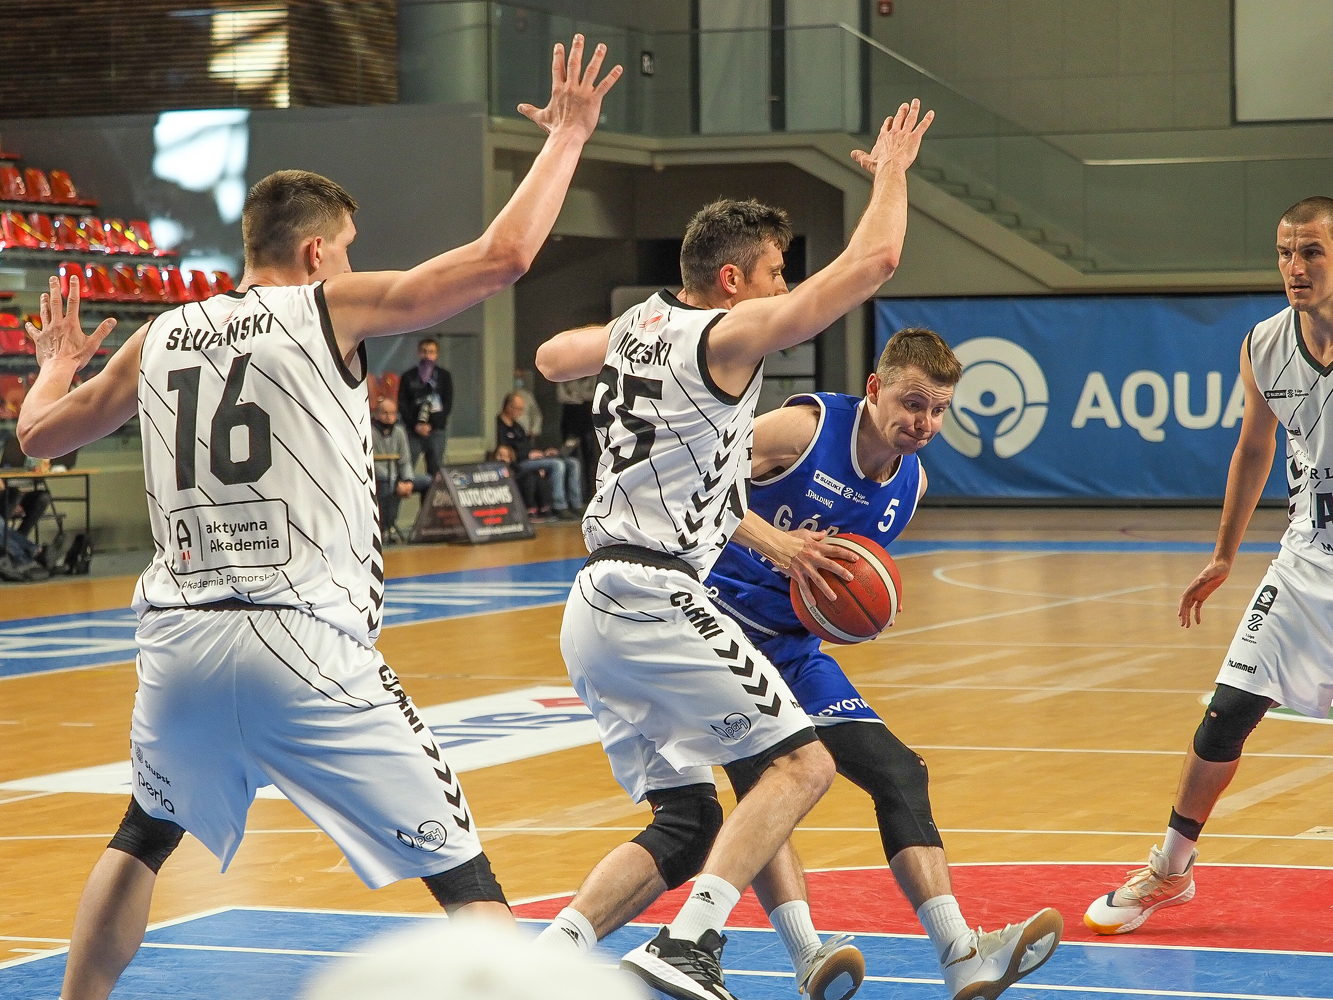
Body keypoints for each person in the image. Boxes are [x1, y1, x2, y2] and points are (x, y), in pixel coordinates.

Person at [15, 35, 621, 1000]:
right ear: (314, 254)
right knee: (463, 875)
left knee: (143, 834)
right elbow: (502, 257)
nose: (349, 264)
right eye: (344, 250)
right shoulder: (325, 307)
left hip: (179, 641)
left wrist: (54, 364)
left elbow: (40, 436)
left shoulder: (162, 332)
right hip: (304, 638)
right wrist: (568, 136)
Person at [532, 99, 934, 1000]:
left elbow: (554, 356)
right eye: (775, 274)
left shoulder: (640, 327)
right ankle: (688, 946)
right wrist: (891, 173)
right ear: (728, 281)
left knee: (684, 821)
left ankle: (540, 961)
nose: (784, 288)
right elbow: (873, 262)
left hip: (590, 605)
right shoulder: (727, 335)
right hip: (655, 593)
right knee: (803, 763)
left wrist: (622, 343)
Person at [703, 327, 1062, 1000]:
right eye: (912, 404)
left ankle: (960, 954)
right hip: (715, 628)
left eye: (938, 411)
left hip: (793, 649)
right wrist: (777, 544)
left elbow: (836, 581)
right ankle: (806, 955)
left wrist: (850, 610)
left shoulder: (910, 484)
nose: (923, 423)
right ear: (874, 389)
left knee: (900, 772)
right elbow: (689, 477)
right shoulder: (804, 431)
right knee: (765, 783)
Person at [1083, 195, 1333, 936]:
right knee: (1226, 714)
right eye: (1284, 252)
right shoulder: (1264, 343)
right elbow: (1254, 446)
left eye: (1311, 252)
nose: (1294, 267)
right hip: (1305, 561)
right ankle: (1170, 869)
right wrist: (1224, 553)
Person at [496, 391, 582, 519]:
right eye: (518, 409)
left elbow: (527, 445)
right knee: (557, 464)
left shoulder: (517, 426)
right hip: (519, 462)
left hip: (531, 458)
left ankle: (576, 504)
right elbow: (506, 451)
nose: (520, 413)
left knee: (572, 462)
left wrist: (543, 453)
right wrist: (528, 454)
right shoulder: (499, 426)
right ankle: (559, 506)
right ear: (508, 407)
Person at [372, 396, 430, 542]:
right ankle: (387, 527)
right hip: (380, 478)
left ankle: (425, 527)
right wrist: (396, 481)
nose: (389, 417)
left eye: (392, 413)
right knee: (386, 486)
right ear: (377, 414)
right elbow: (374, 465)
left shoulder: (399, 431)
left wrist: (408, 480)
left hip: (398, 477)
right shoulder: (369, 431)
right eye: (385, 413)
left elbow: (405, 461)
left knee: (429, 481)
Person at [398, 336, 452, 477]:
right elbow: (402, 404)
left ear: (437, 354)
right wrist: (415, 425)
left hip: (436, 430)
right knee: (406, 469)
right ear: (418, 353)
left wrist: (432, 425)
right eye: (424, 351)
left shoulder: (444, 376)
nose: (427, 355)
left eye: (431, 352)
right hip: (413, 430)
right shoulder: (408, 376)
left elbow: (447, 404)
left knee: (436, 472)